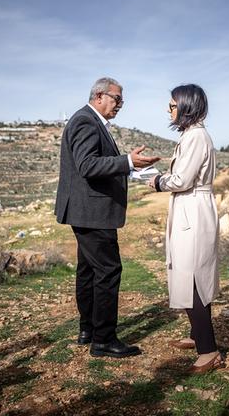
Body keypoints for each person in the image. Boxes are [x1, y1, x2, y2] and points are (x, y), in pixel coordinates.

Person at [55, 77, 160, 358]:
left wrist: (129, 165)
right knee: (108, 271)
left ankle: (88, 330)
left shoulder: (89, 121)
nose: (120, 105)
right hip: (93, 213)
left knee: (88, 270)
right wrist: (127, 161)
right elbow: (88, 165)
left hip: (88, 211)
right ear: (99, 96)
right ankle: (103, 340)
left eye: (122, 100)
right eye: (117, 99)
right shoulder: (86, 121)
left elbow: (95, 164)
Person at [147, 84, 222, 373]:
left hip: (193, 208)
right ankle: (197, 335)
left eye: (172, 104)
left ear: (186, 105)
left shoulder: (195, 137)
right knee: (195, 272)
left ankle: (209, 351)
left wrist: (157, 181)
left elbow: (181, 180)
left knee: (192, 276)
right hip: (192, 207)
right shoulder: (193, 135)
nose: (169, 110)